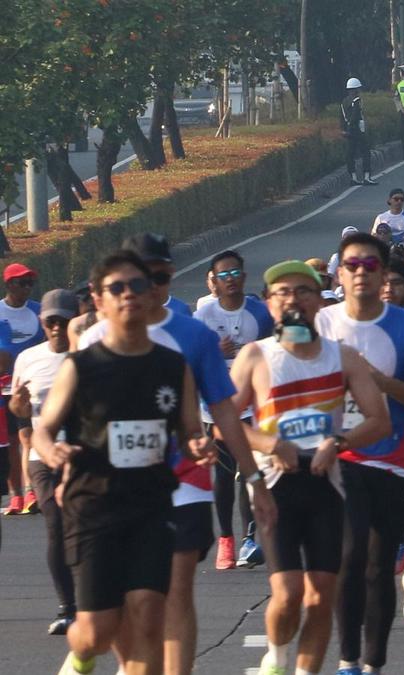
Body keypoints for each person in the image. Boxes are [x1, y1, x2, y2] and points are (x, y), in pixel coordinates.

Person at [79, 235, 277, 675]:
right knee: (133, 601)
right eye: (143, 276)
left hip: (184, 478)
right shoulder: (94, 338)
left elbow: (223, 409)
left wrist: (253, 479)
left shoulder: (193, 335)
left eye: (162, 276)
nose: (152, 287)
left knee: (175, 587)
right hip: (115, 484)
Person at [35, 251, 214, 675]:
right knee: (98, 631)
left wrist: (199, 446)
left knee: (150, 613)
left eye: (139, 284)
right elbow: (43, 428)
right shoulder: (81, 367)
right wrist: (50, 451)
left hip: (151, 504)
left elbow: (190, 430)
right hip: (94, 506)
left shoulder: (173, 366)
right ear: (98, 300)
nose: (130, 295)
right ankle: (80, 653)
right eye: (118, 288)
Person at [229, 260, 390, 675]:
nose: (293, 299)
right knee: (287, 594)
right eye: (283, 292)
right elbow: (225, 424)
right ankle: (278, 657)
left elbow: (379, 420)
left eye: (303, 291)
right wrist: (270, 442)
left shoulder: (344, 357)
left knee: (321, 595)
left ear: (320, 300)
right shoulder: (255, 356)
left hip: (325, 483)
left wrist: (338, 443)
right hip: (275, 484)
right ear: (268, 304)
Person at [314, 233, 404, 672]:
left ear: (383, 273)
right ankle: (348, 661)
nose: (361, 274)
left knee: (377, 563)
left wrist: (379, 383)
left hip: (393, 459)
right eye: (352, 265)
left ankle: (373, 662)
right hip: (338, 459)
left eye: (370, 266)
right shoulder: (320, 324)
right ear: (339, 273)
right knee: (349, 558)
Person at [193, 250, 274, 571]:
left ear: (243, 275)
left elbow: (274, 350)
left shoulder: (260, 313)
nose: (229, 280)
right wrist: (214, 351)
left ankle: (248, 539)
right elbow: (192, 359)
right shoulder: (203, 317)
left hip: (252, 406)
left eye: (234, 273)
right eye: (222, 276)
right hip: (214, 407)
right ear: (214, 281)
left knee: (250, 472)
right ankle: (225, 538)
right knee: (225, 476)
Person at [11, 289, 78, 635]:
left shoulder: (90, 356)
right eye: (51, 321)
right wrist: (19, 409)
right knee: (55, 524)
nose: (57, 327)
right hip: (42, 455)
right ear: (42, 322)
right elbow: (21, 414)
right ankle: (68, 607)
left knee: (84, 529)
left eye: (64, 321)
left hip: (82, 454)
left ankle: (98, 600)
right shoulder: (28, 358)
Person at [0, 262, 43, 515]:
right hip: (2, 387)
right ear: (8, 284)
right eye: (21, 283)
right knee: (8, 444)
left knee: (27, 438)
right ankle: (15, 495)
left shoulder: (39, 311)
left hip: (28, 386)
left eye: (30, 283)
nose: (27, 288)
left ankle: (30, 491)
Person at [342, 78, 378, 185]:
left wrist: (344, 129)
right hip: (358, 130)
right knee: (365, 153)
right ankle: (366, 177)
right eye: (358, 89)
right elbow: (356, 116)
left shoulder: (344, 101)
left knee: (350, 154)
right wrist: (352, 126)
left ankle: (353, 177)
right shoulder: (357, 101)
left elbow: (342, 117)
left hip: (348, 132)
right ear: (355, 89)